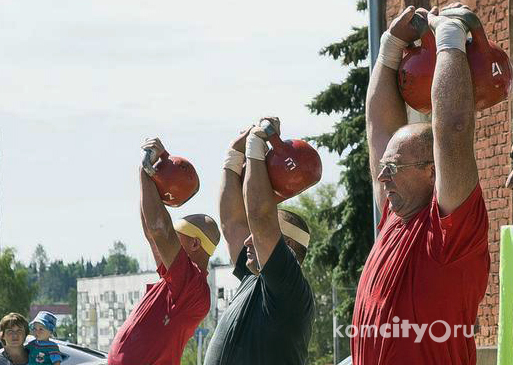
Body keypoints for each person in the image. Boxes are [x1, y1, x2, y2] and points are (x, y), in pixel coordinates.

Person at [353, 3, 490, 365]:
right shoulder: (394, 218)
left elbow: (454, 131)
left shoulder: (451, 232)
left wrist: (450, 38)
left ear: (433, 171)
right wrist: (389, 48)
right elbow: (378, 129)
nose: (382, 177)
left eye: (393, 167)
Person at [203, 119, 315, 365]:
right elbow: (231, 223)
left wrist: (256, 146)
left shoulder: (289, 287)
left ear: (287, 246)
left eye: (256, 235)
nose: (246, 242)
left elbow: (261, 218)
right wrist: (233, 155)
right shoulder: (254, 277)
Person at [108, 138, 221, 365]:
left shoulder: (191, 285)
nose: (171, 238)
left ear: (195, 244)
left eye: (177, 233)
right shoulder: (176, 280)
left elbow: (160, 230)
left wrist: (145, 171)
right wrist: (148, 177)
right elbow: (153, 232)